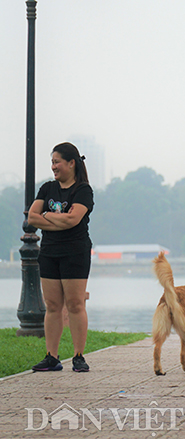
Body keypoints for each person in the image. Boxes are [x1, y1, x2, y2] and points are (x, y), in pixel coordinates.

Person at [28, 142, 94, 372]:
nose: (53, 166)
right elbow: (32, 218)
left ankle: (78, 356)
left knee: (75, 304)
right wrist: (55, 218)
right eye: (52, 162)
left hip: (75, 253)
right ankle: (52, 357)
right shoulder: (47, 188)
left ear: (71, 163)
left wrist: (47, 215)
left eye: (57, 162)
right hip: (49, 253)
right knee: (53, 305)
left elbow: (73, 220)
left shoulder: (83, 190)